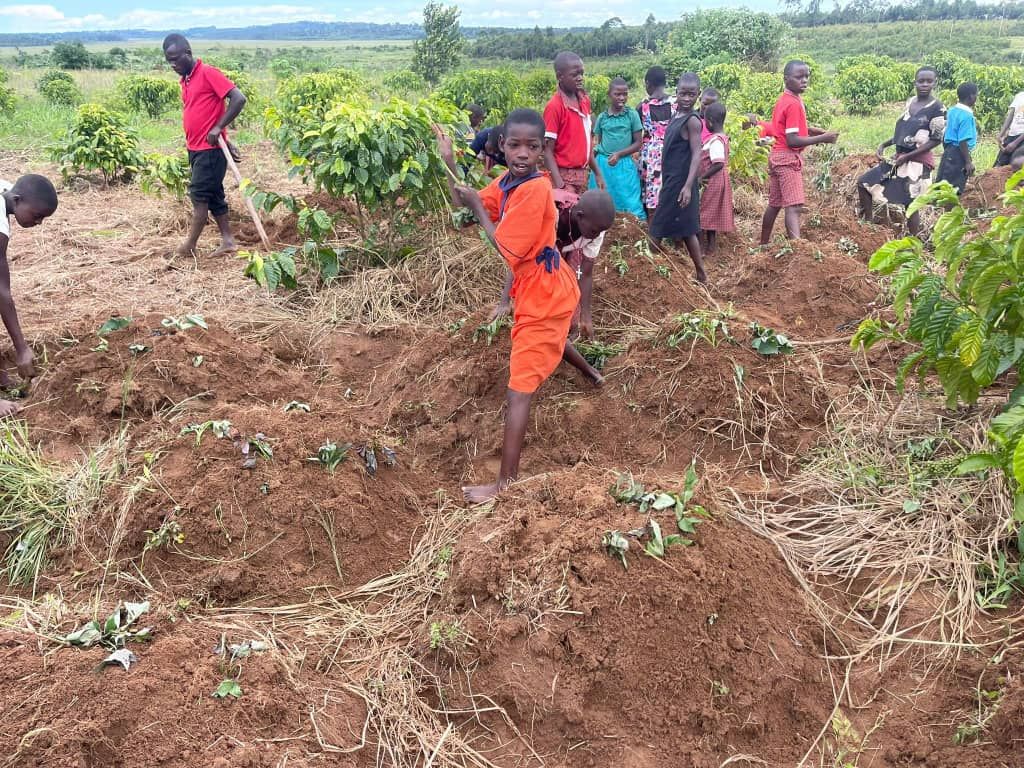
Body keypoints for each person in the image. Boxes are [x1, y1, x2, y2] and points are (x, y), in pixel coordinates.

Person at [435, 110, 604, 503]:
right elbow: (464, 204)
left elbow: (506, 250)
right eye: (515, 145)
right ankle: (594, 375)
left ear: (543, 152)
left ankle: (505, 484)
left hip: (543, 292)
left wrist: (478, 206)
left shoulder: (535, 190)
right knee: (553, 339)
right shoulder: (508, 182)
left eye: (533, 146)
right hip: (547, 286)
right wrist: (450, 164)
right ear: (501, 147)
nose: (523, 153)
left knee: (519, 391)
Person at [162, 33, 247, 259]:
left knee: (199, 194)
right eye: (169, 60)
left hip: (210, 151)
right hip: (196, 149)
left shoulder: (208, 73)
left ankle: (189, 244)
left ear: (188, 54)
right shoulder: (186, 80)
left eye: (176, 59)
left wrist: (219, 128)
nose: (173, 64)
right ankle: (228, 240)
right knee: (214, 195)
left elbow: (238, 98)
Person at [491, 189, 616, 340]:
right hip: (540, 244)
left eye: (601, 232)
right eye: (595, 231)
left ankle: (563, 332)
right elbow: (521, 257)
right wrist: (504, 302)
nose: (597, 235)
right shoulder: (552, 213)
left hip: (565, 247)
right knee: (535, 288)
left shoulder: (596, 228)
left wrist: (586, 315)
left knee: (566, 291)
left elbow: (586, 273)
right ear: (579, 216)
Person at [857, 66, 946, 235]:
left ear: (935, 83)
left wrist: (907, 157)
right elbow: (904, 131)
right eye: (921, 81)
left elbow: (936, 140)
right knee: (864, 182)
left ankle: (913, 242)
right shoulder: (910, 102)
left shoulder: (938, 109)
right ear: (915, 82)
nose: (924, 84)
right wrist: (885, 144)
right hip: (899, 156)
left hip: (918, 162)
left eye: (929, 81)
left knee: (911, 204)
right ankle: (867, 223)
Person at [760, 60, 839, 245]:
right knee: (794, 207)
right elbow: (792, 140)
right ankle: (798, 251)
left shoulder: (785, 99)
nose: (804, 80)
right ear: (786, 79)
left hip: (777, 156)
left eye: (806, 76)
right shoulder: (794, 104)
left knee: (774, 204)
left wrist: (809, 131)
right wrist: (823, 138)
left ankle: (763, 245)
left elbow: (785, 129)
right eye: (799, 77)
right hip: (787, 158)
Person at [0, 175, 58, 417]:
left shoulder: (7, 190)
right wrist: (21, 348)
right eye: (37, 216)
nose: (39, 223)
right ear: (17, 200)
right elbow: (1, 290)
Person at [649, 73, 707, 284]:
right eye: (683, 93)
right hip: (673, 180)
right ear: (676, 93)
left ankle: (649, 270)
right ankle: (701, 273)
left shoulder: (692, 122)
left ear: (697, 96)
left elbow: (697, 153)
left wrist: (688, 186)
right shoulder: (676, 116)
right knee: (687, 228)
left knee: (656, 230)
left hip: (681, 184)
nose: (686, 98)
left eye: (691, 94)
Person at [544, 51, 605, 195]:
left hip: (581, 175)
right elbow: (547, 151)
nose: (580, 78)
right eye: (574, 75)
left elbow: (587, 144)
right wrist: (560, 185)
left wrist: (597, 173)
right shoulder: (555, 107)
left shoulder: (584, 101)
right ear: (560, 76)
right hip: (564, 176)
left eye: (581, 74)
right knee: (568, 216)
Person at [589, 77, 645, 220]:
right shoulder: (602, 118)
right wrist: (592, 161)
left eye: (625, 94)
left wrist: (619, 154)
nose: (622, 97)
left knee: (629, 200)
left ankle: (635, 229)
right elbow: (599, 143)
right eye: (617, 94)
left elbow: (638, 142)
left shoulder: (631, 115)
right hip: (603, 165)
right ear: (609, 95)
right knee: (601, 200)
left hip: (624, 164)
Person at [637, 66, 675, 219]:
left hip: (650, 156)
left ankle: (653, 230)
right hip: (671, 152)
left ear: (648, 84)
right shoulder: (676, 104)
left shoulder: (642, 107)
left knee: (649, 192)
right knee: (670, 188)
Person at [698, 102, 734, 257]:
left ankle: (700, 248)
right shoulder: (721, 138)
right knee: (711, 213)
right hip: (717, 181)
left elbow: (718, 163)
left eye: (705, 121)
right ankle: (710, 246)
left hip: (713, 181)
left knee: (703, 213)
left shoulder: (716, 141)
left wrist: (701, 177)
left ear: (710, 121)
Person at [936, 82, 979, 193]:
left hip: (949, 150)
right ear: (971, 96)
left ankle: (938, 208)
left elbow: (946, 132)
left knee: (943, 180)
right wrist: (968, 161)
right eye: (976, 95)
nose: (976, 98)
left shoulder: (952, 110)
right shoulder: (967, 116)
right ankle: (947, 208)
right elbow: (962, 140)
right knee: (954, 186)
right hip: (959, 153)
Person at [995, 90, 1024, 170]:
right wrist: (1001, 134)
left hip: (1021, 138)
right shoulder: (1020, 95)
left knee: (1016, 165)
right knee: (998, 167)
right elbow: (1011, 116)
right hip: (1012, 135)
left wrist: (1015, 143)